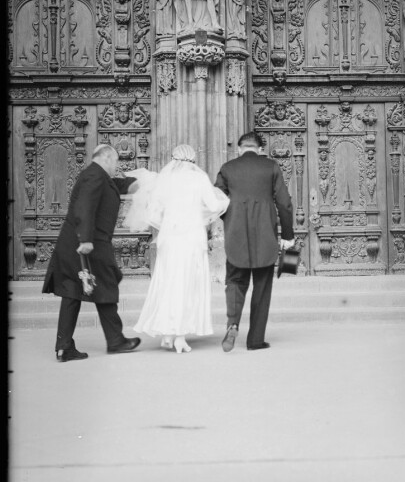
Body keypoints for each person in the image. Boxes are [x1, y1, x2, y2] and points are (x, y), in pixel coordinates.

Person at [124, 144, 229, 353]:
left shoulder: (165, 179)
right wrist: (225, 200)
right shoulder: (198, 179)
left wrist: (170, 223)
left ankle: (167, 333)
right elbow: (214, 205)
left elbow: (153, 214)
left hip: (170, 238)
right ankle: (179, 336)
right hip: (190, 238)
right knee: (187, 284)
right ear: (192, 160)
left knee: (169, 283)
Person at [42, 144, 141, 362]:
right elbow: (84, 206)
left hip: (79, 245)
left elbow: (116, 186)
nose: (116, 167)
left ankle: (65, 346)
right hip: (86, 245)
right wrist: (86, 239)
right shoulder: (95, 176)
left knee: (74, 292)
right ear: (107, 158)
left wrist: (142, 183)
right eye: (115, 162)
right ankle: (114, 341)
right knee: (103, 286)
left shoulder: (96, 176)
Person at [215, 132, 295, 352]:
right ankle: (255, 340)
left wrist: (231, 218)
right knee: (262, 287)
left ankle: (232, 323)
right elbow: (285, 203)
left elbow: (216, 201)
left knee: (234, 281)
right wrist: (287, 236)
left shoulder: (228, 168)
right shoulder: (271, 167)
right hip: (265, 237)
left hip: (236, 236)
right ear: (260, 149)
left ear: (240, 148)